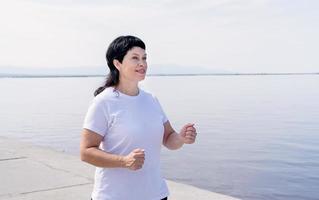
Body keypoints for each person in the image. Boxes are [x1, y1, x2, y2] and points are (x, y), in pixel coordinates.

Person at [80, 35, 197, 200]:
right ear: (117, 63)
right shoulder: (103, 102)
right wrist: (124, 161)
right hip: (114, 196)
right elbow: (86, 152)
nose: (142, 63)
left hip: (155, 194)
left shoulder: (151, 99)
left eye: (144, 58)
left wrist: (181, 138)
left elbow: (169, 138)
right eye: (135, 58)